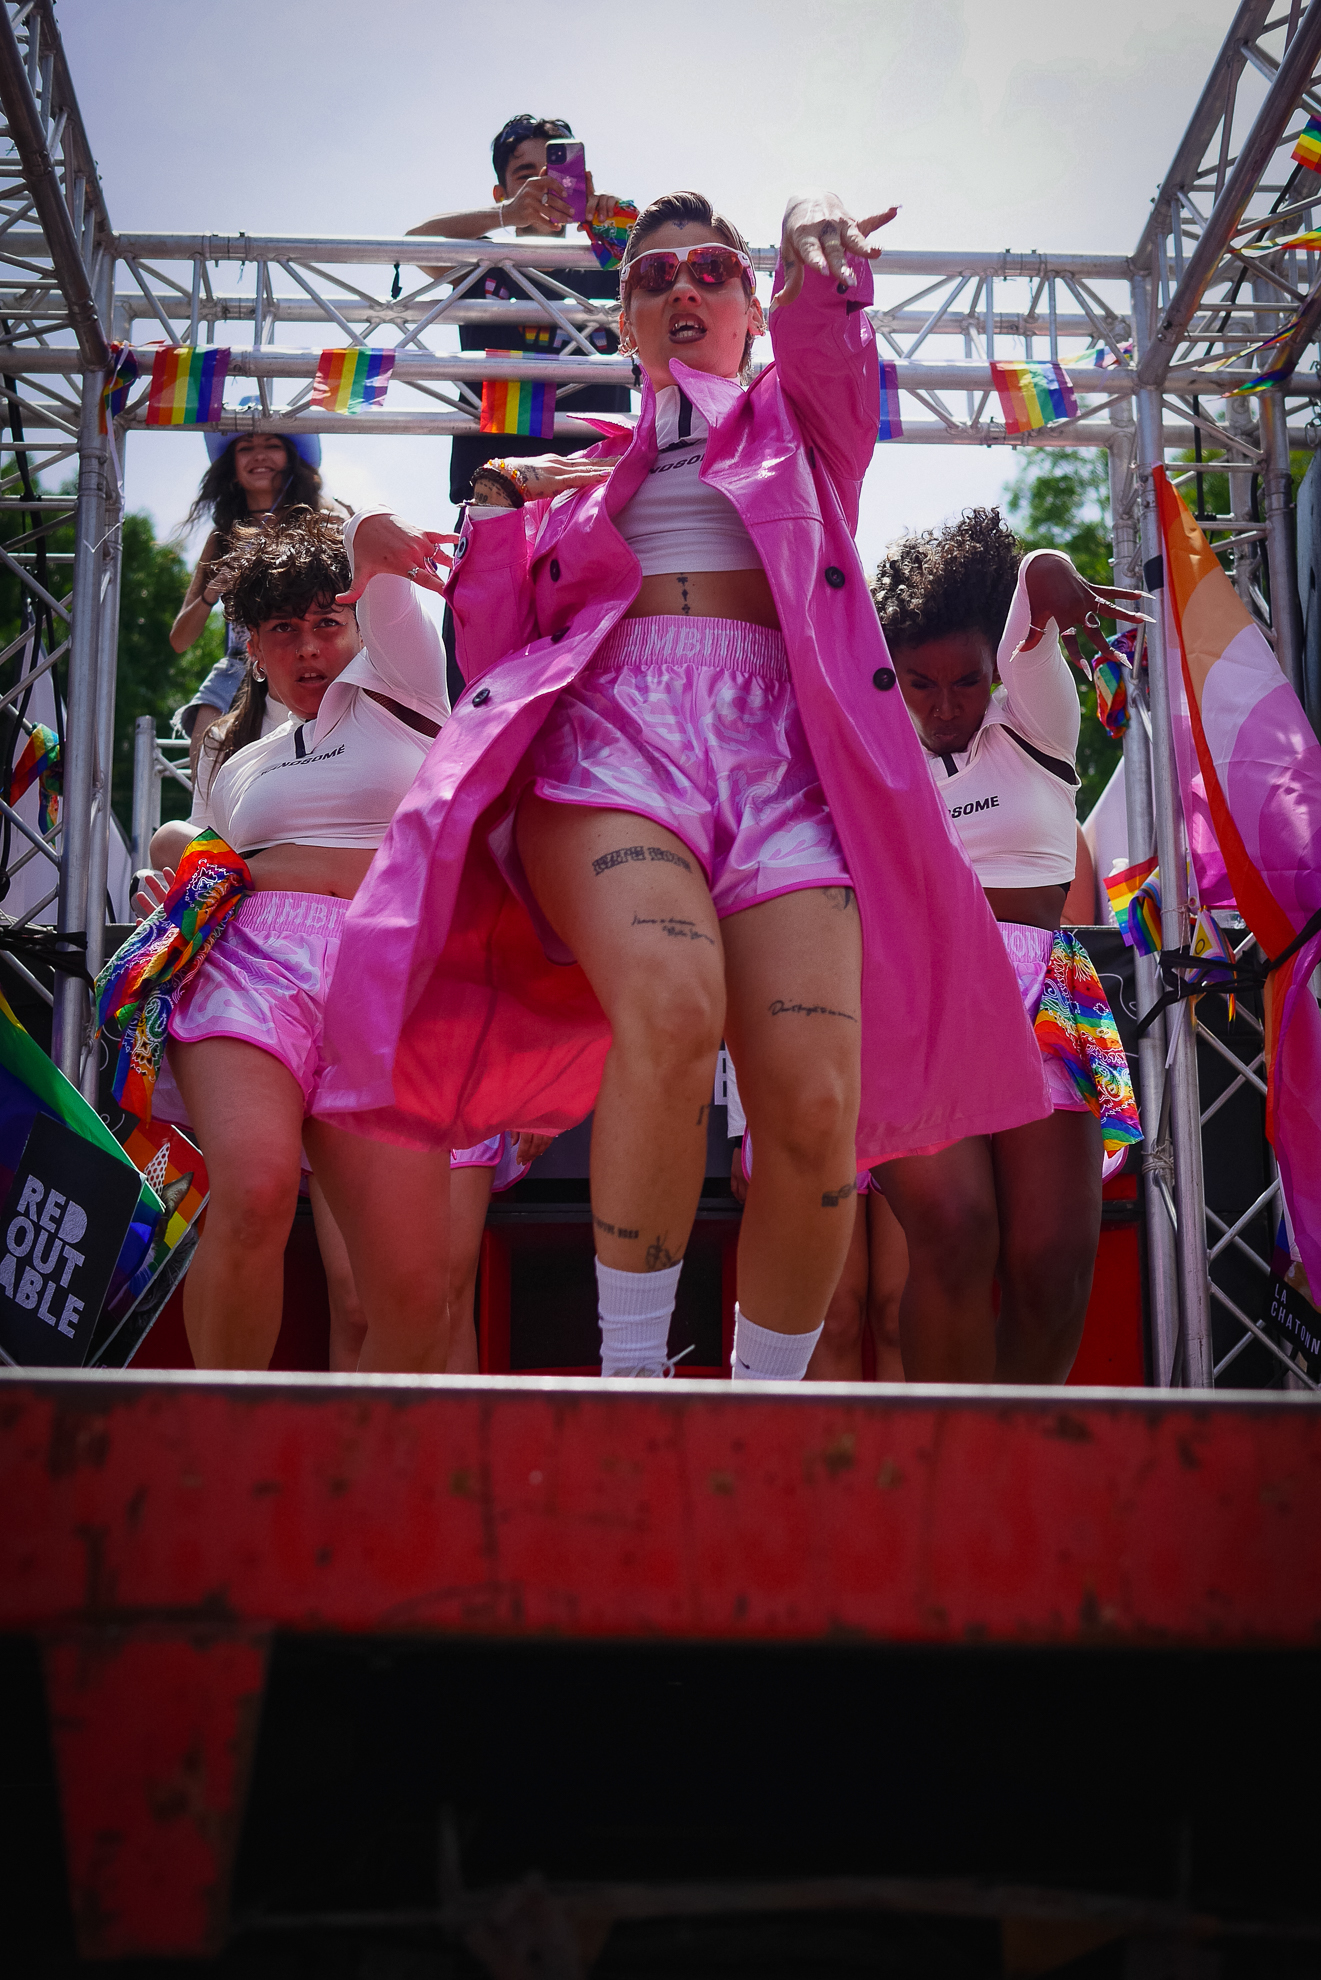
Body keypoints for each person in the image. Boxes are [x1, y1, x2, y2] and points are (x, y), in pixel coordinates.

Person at [312, 186, 1052, 1386]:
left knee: (814, 1105)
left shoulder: (800, 425)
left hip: (786, 760)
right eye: (653, 278)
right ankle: (634, 1388)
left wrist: (811, 232)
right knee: (667, 1004)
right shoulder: (570, 477)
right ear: (624, 323)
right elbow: (495, 657)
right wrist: (495, 515)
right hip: (613, 740)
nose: (683, 289)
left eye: (712, 270)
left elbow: (830, 347)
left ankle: (759, 1419)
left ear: (752, 307)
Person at [128, 508, 456, 1373]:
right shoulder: (239, 764)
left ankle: (370, 1459)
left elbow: (377, 565)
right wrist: (182, 885)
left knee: (411, 1291)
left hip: (384, 977)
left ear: (357, 628)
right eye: (283, 630)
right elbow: (199, 858)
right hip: (248, 967)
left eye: (326, 623)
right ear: (253, 648)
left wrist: (370, 538)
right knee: (256, 1194)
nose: (310, 648)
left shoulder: (405, 695)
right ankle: (224, 1440)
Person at [871, 509, 1146, 1382]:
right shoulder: (876, 747)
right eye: (919, 683)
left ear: (995, 666)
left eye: (965, 680)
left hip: (1046, 998)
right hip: (924, 999)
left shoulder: (1030, 717)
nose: (945, 705)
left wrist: (1050, 563)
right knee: (954, 1233)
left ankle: (1015, 1451)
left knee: (1051, 1267)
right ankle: (949, 1457)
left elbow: (1034, 581)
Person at [408, 115, 636, 706]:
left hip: (593, 503)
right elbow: (414, 242)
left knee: (599, 695)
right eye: (524, 174)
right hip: (496, 508)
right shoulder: (485, 265)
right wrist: (507, 215)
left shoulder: (609, 261)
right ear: (501, 190)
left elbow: (670, 270)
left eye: (554, 170)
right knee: (478, 691)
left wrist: (611, 218)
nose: (542, 183)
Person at [726, 1058, 906, 1381]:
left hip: (910, 1081)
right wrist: (740, 1126)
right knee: (834, 1318)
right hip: (817, 1084)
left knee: (900, 1316)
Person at [170, 430, 327, 773]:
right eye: (245, 448)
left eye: (272, 445)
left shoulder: (320, 523)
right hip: (240, 666)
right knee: (207, 757)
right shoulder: (221, 537)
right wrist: (214, 588)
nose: (259, 455)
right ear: (231, 468)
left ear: (292, 460)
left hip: (307, 658)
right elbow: (180, 640)